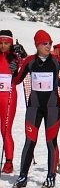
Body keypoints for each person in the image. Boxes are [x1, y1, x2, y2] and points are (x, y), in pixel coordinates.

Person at [12, 29, 60, 188]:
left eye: (50, 43)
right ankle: (23, 176)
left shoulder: (56, 60)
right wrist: (14, 69)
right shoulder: (30, 61)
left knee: (51, 142)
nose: (48, 46)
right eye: (45, 43)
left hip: (53, 108)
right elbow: (17, 80)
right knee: (29, 141)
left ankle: (51, 175)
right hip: (34, 108)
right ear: (37, 45)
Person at [0, 30, 25, 174]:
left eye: (6, 43)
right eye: (1, 43)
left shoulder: (15, 57)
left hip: (8, 97)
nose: (3, 46)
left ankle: (9, 162)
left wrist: (21, 54)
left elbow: (25, 62)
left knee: (5, 130)